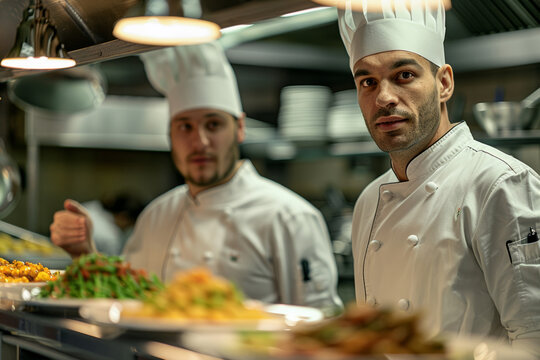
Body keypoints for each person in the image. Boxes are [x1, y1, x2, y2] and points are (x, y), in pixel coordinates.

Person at [50, 42, 343, 310]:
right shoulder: (156, 215)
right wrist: (86, 255)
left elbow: (319, 325)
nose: (199, 142)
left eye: (213, 125)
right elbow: (127, 303)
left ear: (239, 128)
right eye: (185, 127)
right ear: (170, 134)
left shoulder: (290, 217)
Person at [336, 0, 540, 355]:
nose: (383, 98)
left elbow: (534, 337)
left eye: (404, 75)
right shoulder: (368, 201)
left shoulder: (501, 184)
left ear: (444, 83)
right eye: (367, 81)